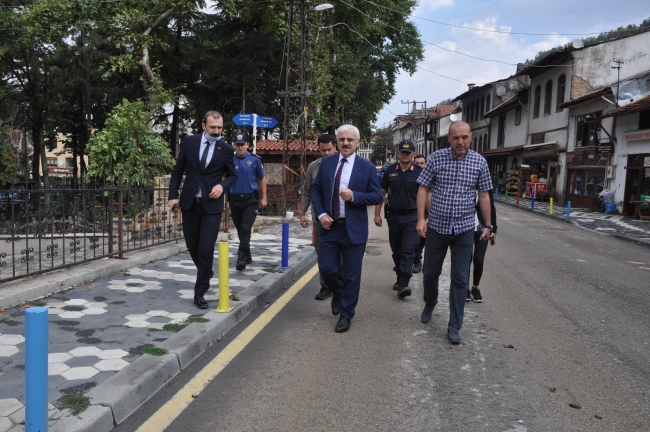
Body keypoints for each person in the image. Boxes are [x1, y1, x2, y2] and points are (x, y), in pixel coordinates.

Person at [416, 121, 493, 345]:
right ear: (449, 138)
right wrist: (421, 219)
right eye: (456, 137)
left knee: (460, 278)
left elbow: (485, 195)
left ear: (471, 137)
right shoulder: (437, 158)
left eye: (464, 137)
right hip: (437, 228)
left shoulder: (480, 162)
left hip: (464, 229)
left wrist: (488, 225)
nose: (460, 141)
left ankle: (454, 326)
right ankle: (430, 302)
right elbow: (423, 188)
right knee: (430, 272)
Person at [311, 124, 383, 333]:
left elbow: (377, 196)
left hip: (354, 229)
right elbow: (316, 191)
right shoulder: (327, 163)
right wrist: (321, 214)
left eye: (350, 140)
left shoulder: (366, 167)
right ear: (337, 142)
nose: (345, 143)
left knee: (352, 274)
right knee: (327, 269)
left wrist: (355, 196)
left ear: (357, 143)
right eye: (342, 139)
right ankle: (338, 293)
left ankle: (346, 314)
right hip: (330, 226)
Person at [168, 111, 237, 309]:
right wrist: (173, 196)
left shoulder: (226, 149)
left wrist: (222, 186)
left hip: (212, 207)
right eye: (213, 127)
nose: (217, 131)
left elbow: (232, 176)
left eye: (220, 128)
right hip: (190, 203)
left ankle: (199, 293)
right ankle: (206, 273)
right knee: (192, 246)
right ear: (203, 125)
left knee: (206, 249)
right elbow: (177, 171)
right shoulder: (189, 142)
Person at [374, 140, 422, 298]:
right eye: (402, 152)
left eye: (408, 153)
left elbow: (427, 196)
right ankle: (399, 277)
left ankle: (404, 283)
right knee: (397, 250)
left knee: (408, 250)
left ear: (413, 154)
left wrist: (427, 218)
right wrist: (376, 214)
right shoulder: (390, 171)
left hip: (412, 217)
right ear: (398, 153)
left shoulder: (420, 172)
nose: (405, 155)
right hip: (393, 216)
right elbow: (381, 192)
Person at [299, 134, 339, 300]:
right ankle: (325, 286)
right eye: (323, 150)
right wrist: (302, 213)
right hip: (319, 220)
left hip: (339, 219)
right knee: (322, 254)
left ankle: (340, 285)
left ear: (335, 147)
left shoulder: (343, 165)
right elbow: (307, 190)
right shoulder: (313, 167)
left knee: (340, 256)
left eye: (329, 149)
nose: (327, 153)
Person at [229, 132, 267, 271]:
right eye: (238, 144)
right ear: (235, 145)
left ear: (248, 145)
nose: (240, 147)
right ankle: (248, 254)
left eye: (243, 144)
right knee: (240, 231)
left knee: (245, 229)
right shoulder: (230, 160)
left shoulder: (255, 160)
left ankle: (241, 257)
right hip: (234, 200)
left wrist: (264, 197)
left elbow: (262, 179)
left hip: (250, 200)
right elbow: (223, 179)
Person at [466, 189, 497, 303]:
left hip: (482, 229)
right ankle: (465, 288)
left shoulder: (486, 187)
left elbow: (491, 207)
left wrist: (494, 230)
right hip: (465, 228)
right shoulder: (466, 182)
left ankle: (475, 287)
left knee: (478, 259)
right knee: (466, 260)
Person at [412, 154, 427, 274]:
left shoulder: (431, 177)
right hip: (413, 211)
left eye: (422, 163)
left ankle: (418, 257)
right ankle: (417, 259)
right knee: (415, 238)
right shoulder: (411, 176)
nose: (419, 166)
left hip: (428, 211)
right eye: (417, 163)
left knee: (423, 239)